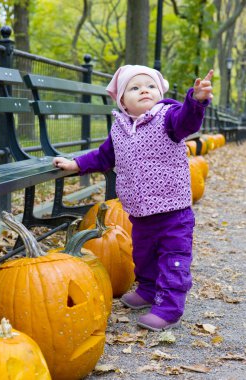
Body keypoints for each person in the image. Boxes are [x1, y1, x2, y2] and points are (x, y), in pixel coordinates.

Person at [53, 65, 213, 332]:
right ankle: (148, 290)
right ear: (122, 100)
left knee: (173, 259)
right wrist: (76, 164)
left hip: (173, 210)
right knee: (143, 255)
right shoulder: (120, 129)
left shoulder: (168, 118)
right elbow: (103, 157)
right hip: (140, 212)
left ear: (159, 92)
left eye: (150, 86)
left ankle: (169, 307)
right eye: (135, 88)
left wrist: (195, 101)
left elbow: (188, 121)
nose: (144, 91)